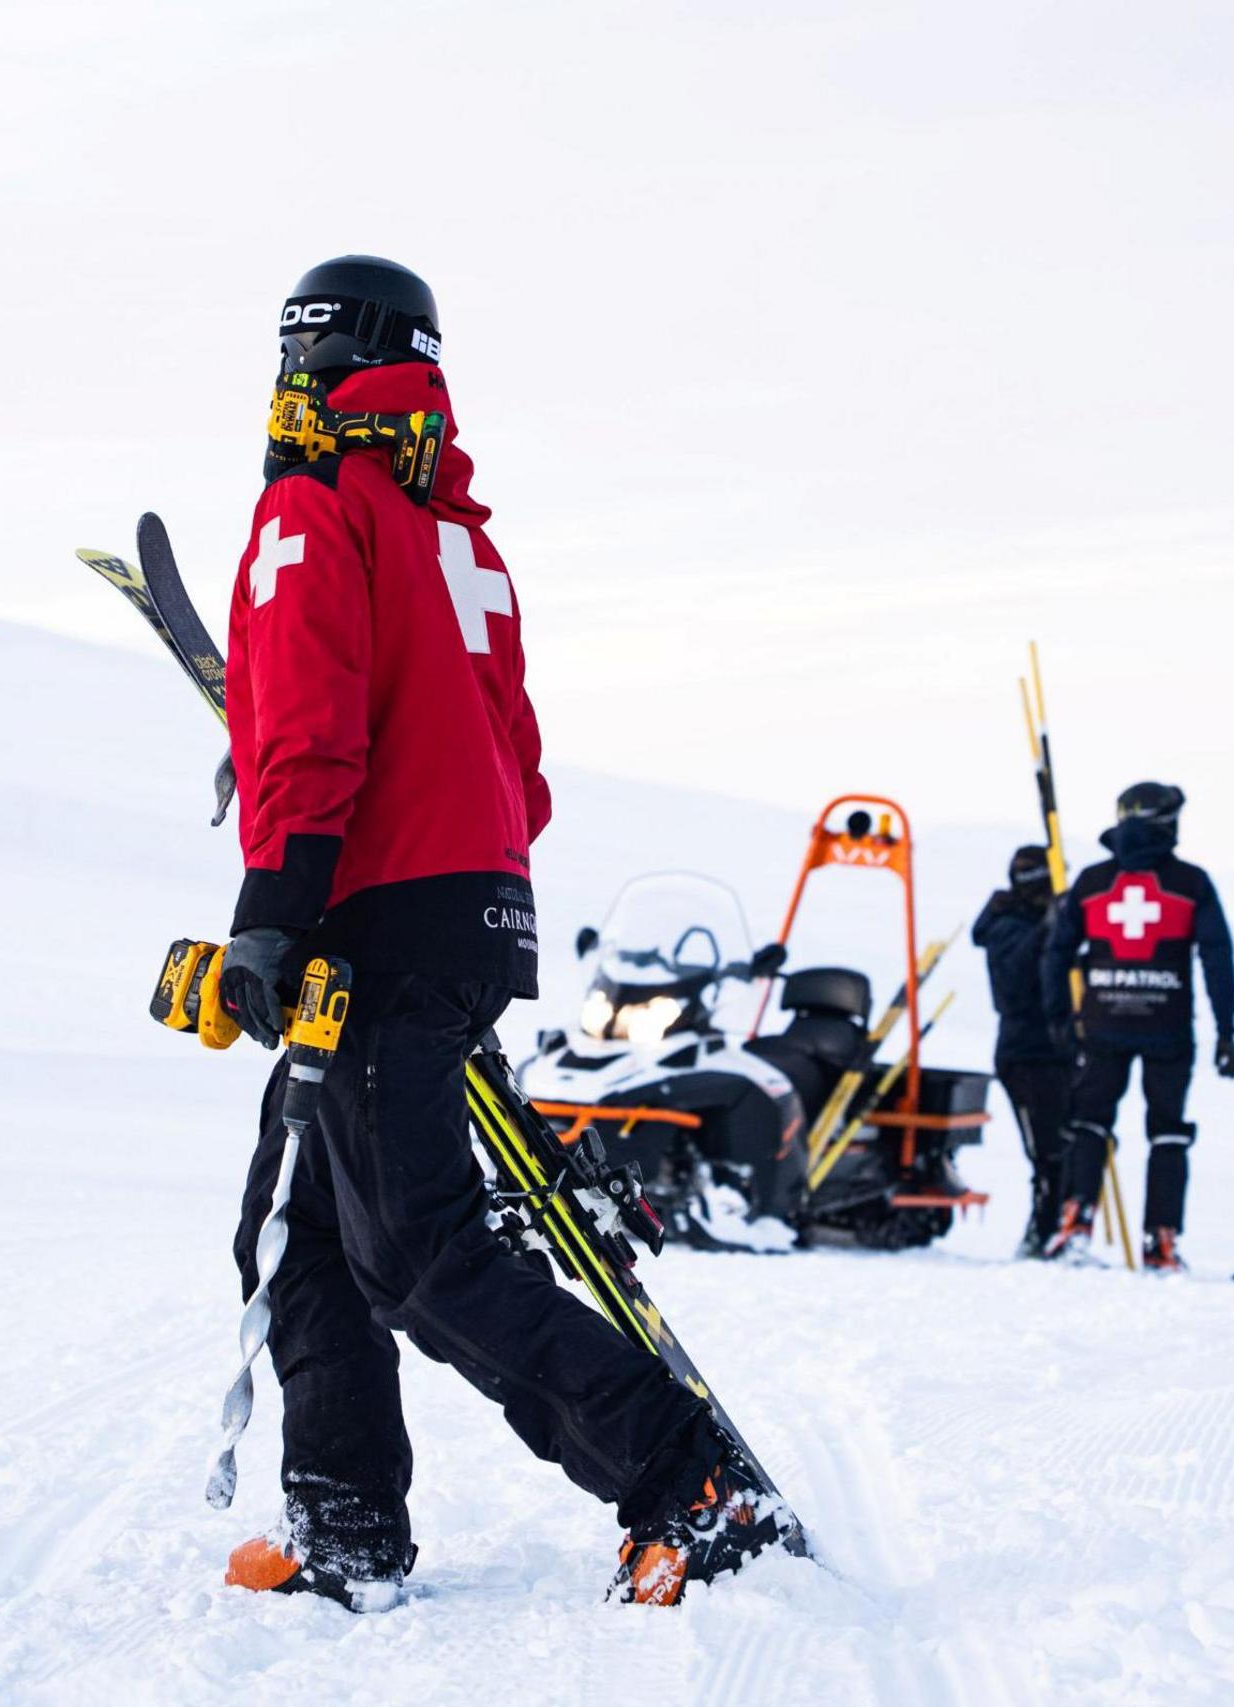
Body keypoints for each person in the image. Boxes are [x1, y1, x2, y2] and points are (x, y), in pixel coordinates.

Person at [212, 256, 777, 1610]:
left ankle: (686, 1477)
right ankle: (345, 1518)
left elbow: (310, 735)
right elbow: (516, 764)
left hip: (365, 923)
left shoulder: (312, 507)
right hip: (474, 907)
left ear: (314, 356)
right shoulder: (460, 535)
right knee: (299, 1224)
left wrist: (270, 916)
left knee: (417, 1248)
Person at [1039, 782, 1234, 1272]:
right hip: (1169, 1030)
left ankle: (1075, 1221)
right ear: (1165, 823)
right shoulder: (1192, 884)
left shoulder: (1090, 883)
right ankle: (1162, 1241)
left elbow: (1055, 952)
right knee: (1168, 1132)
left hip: (1101, 1024)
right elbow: (1218, 958)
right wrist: (1226, 1029)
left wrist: (1058, 1016)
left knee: (1088, 1123)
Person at [972, 845, 1070, 1258]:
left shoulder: (1059, 928)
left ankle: (1065, 1226)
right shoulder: (1006, 926)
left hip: (1065, 1051)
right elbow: (1015, 986)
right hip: (1027, 1054)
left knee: (1071, 1146)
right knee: (1047, 1151)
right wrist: (1049, 930)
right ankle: (1042, 1231)